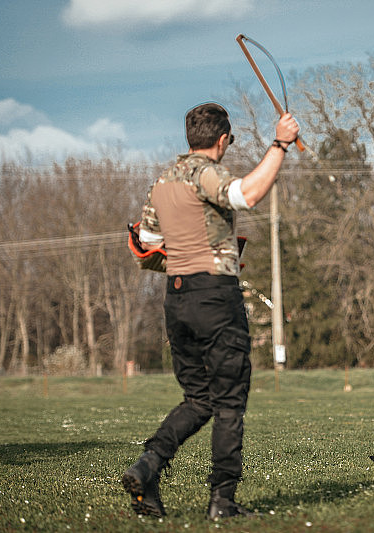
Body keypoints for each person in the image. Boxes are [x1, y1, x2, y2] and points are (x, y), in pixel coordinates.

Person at [121, 102, 299, 520]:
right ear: (222, 140)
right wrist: (280, 143)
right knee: (230, 401)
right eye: (230, 141)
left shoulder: (162, 182)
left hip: (176, 298)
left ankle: (148, 467)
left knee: (199, 399)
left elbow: (147, 240)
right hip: (214, 298)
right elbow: (247, 194)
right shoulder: (207, 172)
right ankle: (222, 501)